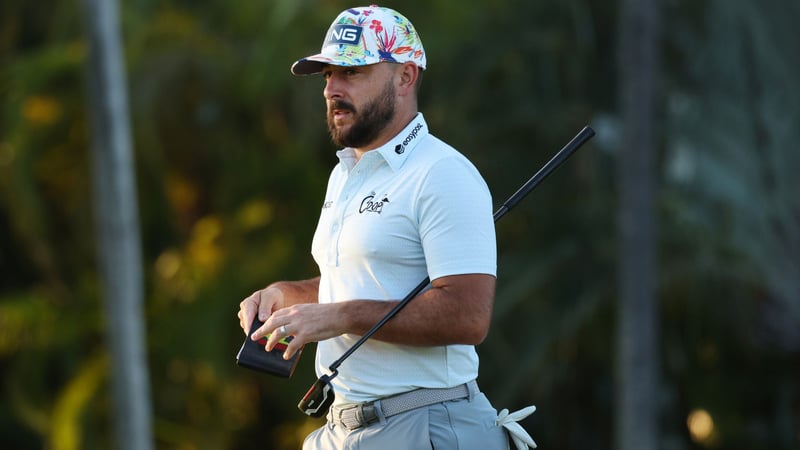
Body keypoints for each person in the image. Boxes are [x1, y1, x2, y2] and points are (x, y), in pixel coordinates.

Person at [237, 5, 536, 449]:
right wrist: (291, 297)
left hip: (426, 424)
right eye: (327, 76)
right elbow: (365, 281)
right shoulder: (346, 174)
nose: (331, 89)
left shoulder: (442, 173)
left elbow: (468, 315)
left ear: (405, 77)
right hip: (344, 429)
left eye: (351, 71)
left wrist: (339, 317)